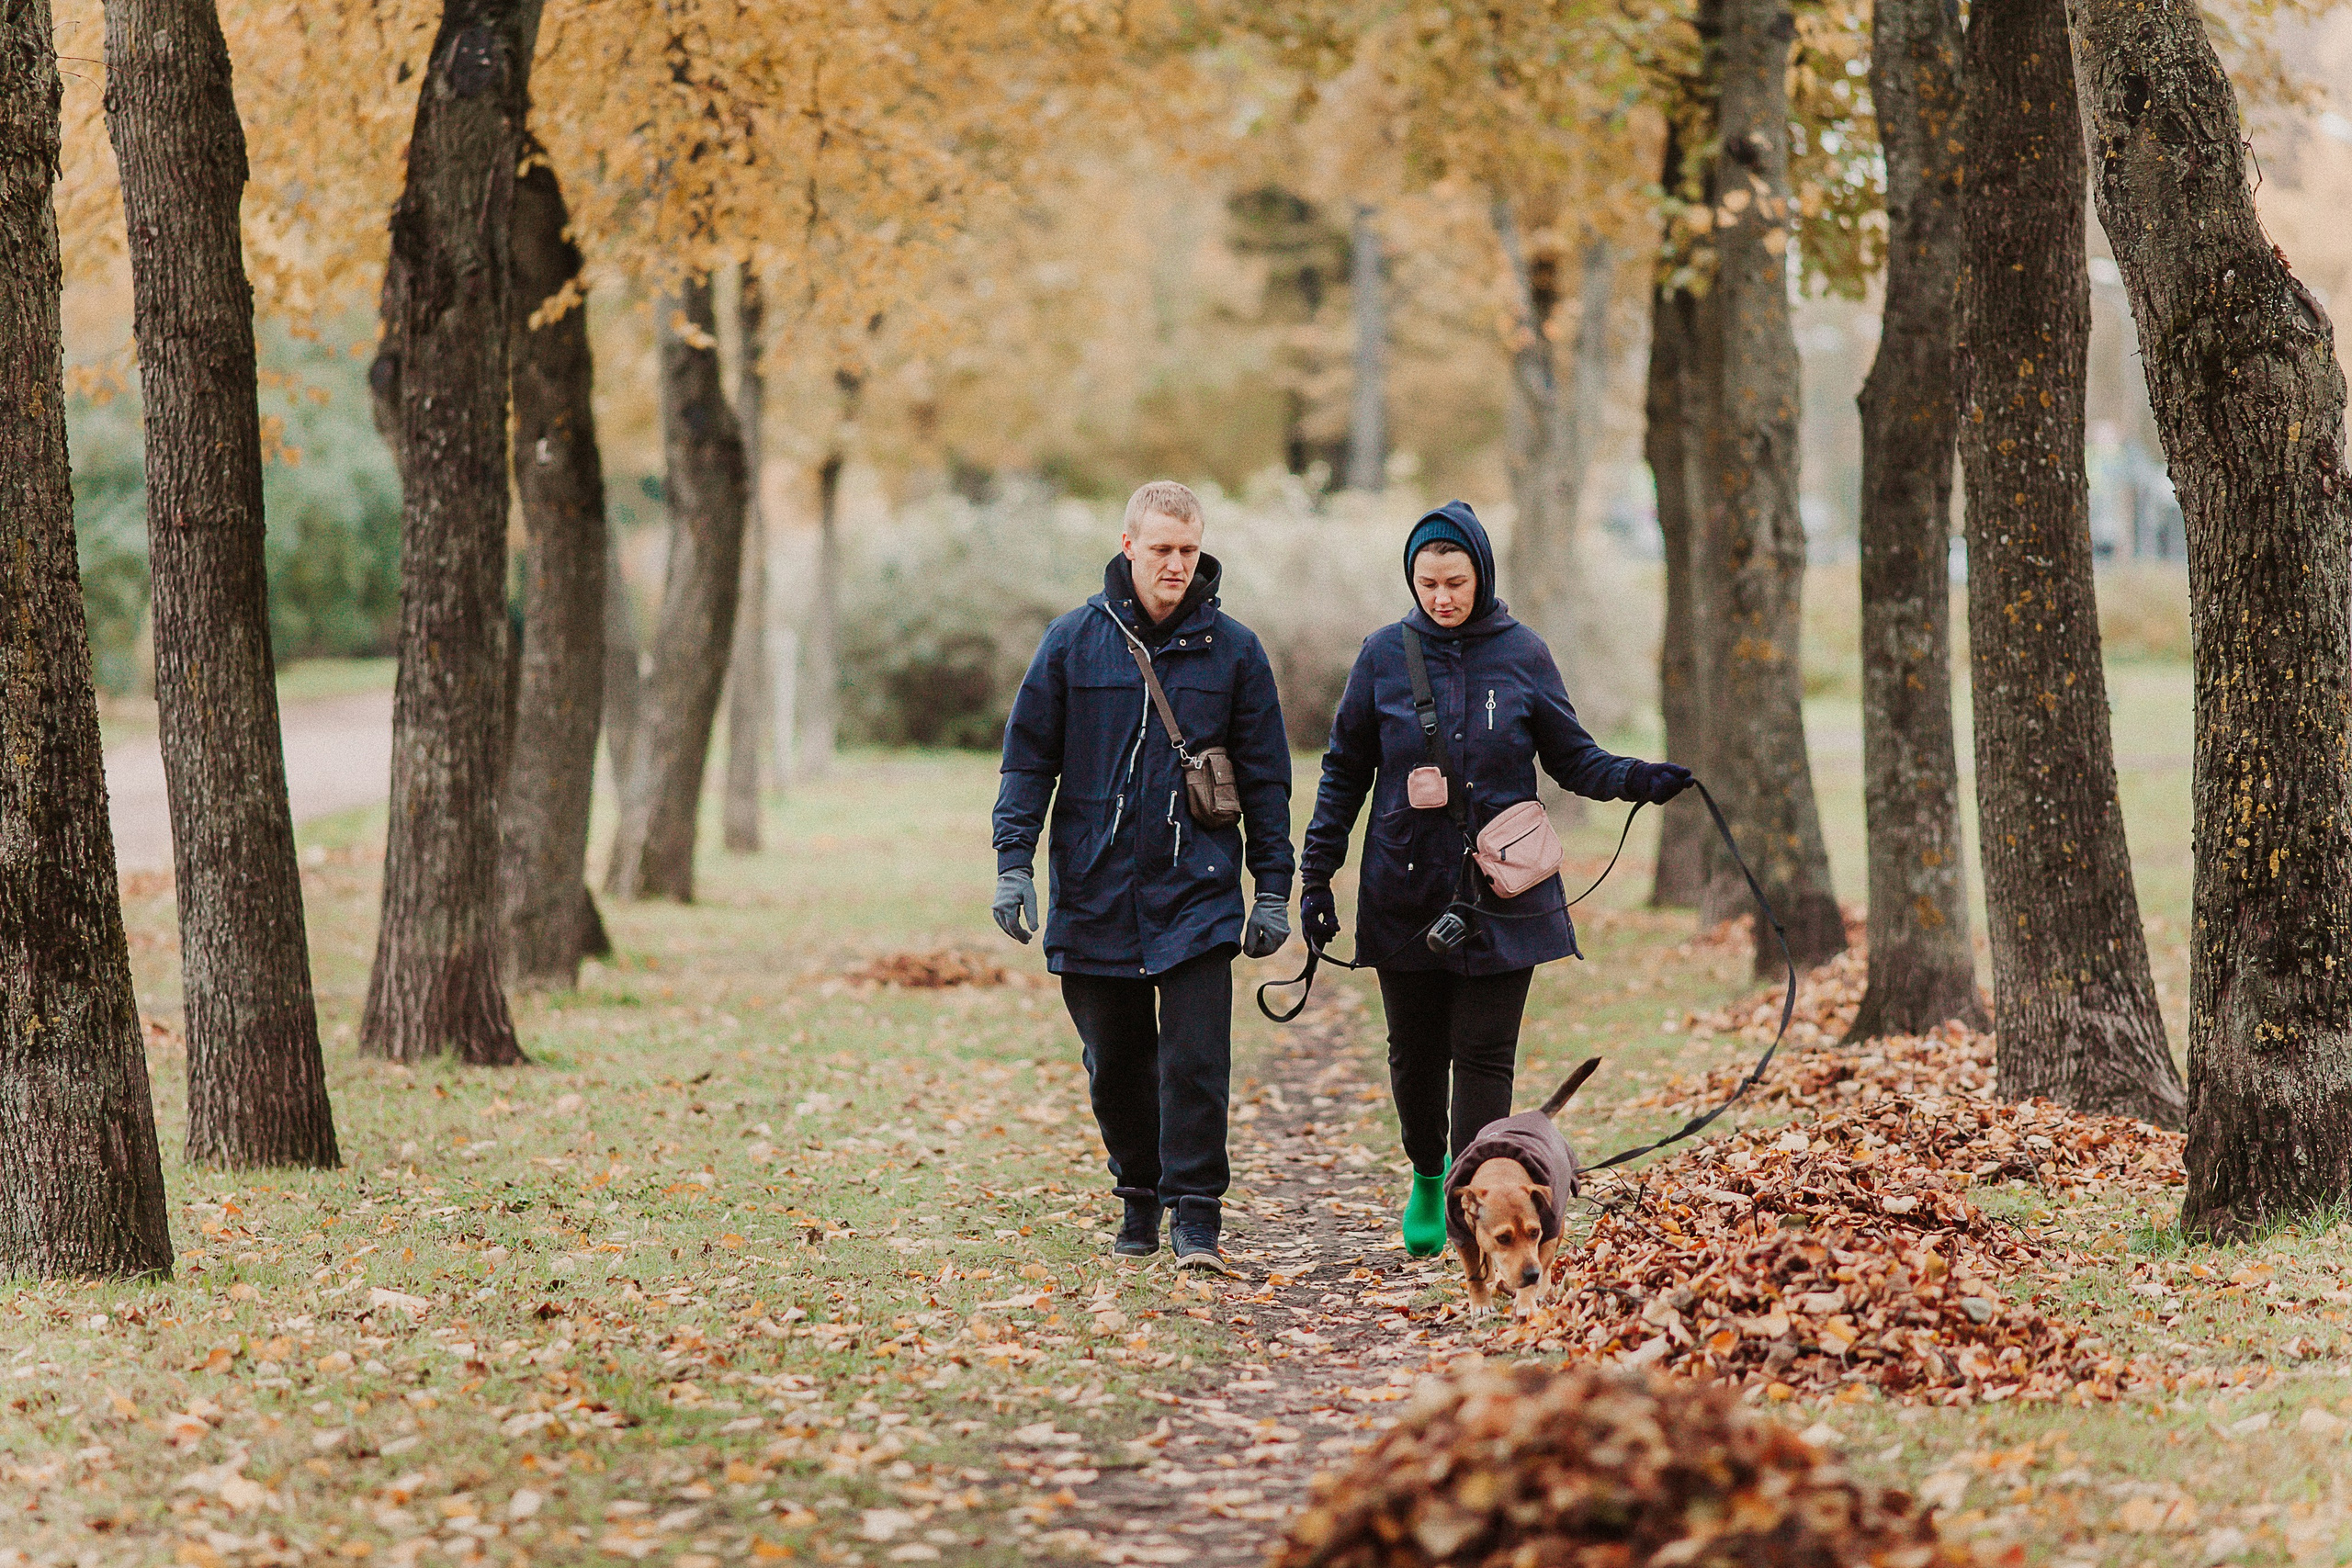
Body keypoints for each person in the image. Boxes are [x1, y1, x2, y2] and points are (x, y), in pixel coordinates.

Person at [1298, 501, 1690, 1258]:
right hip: (1405, 890)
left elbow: (1573, 758)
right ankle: (1427, 1171)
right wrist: (1317, 877)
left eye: (1456, 581)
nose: (1441, 597)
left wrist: (1638, 778)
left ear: (1482, 573)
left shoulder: (1522, 654)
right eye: (1427, 583)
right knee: (1415, 1055)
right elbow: (1343, 772)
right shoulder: (1382, 655)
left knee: (1483, 1054)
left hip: (1504, 896)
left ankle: (1467, 1202)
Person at [990, 480, 1295, 1271]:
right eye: (1161, 548)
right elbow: (1028, 760)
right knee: (1115, 1063)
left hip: (1197, 889)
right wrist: (1013, 863)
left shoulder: (1236, 651)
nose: (1176, 564)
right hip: (1094, 889)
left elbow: (1267, 779)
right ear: (1128, 546)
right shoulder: (1072, 641)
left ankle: (1196, 1215)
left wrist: (1272, 887)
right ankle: (1138, 1195)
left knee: (1196, 1063)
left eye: (1189, 550)